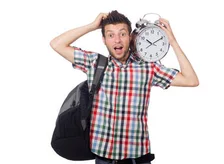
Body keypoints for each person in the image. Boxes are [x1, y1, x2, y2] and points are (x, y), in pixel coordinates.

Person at [50, 10, 199, 164]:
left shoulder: (148, 68)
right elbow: (57, 44)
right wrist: (92, 26)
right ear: (104, 40)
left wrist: (172, 41)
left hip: (137, 158)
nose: (117, 40)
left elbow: (191, 80)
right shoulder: (94, 63)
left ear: (131, 37)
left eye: (122, 34)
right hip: (103, 156)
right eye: (110, 35)